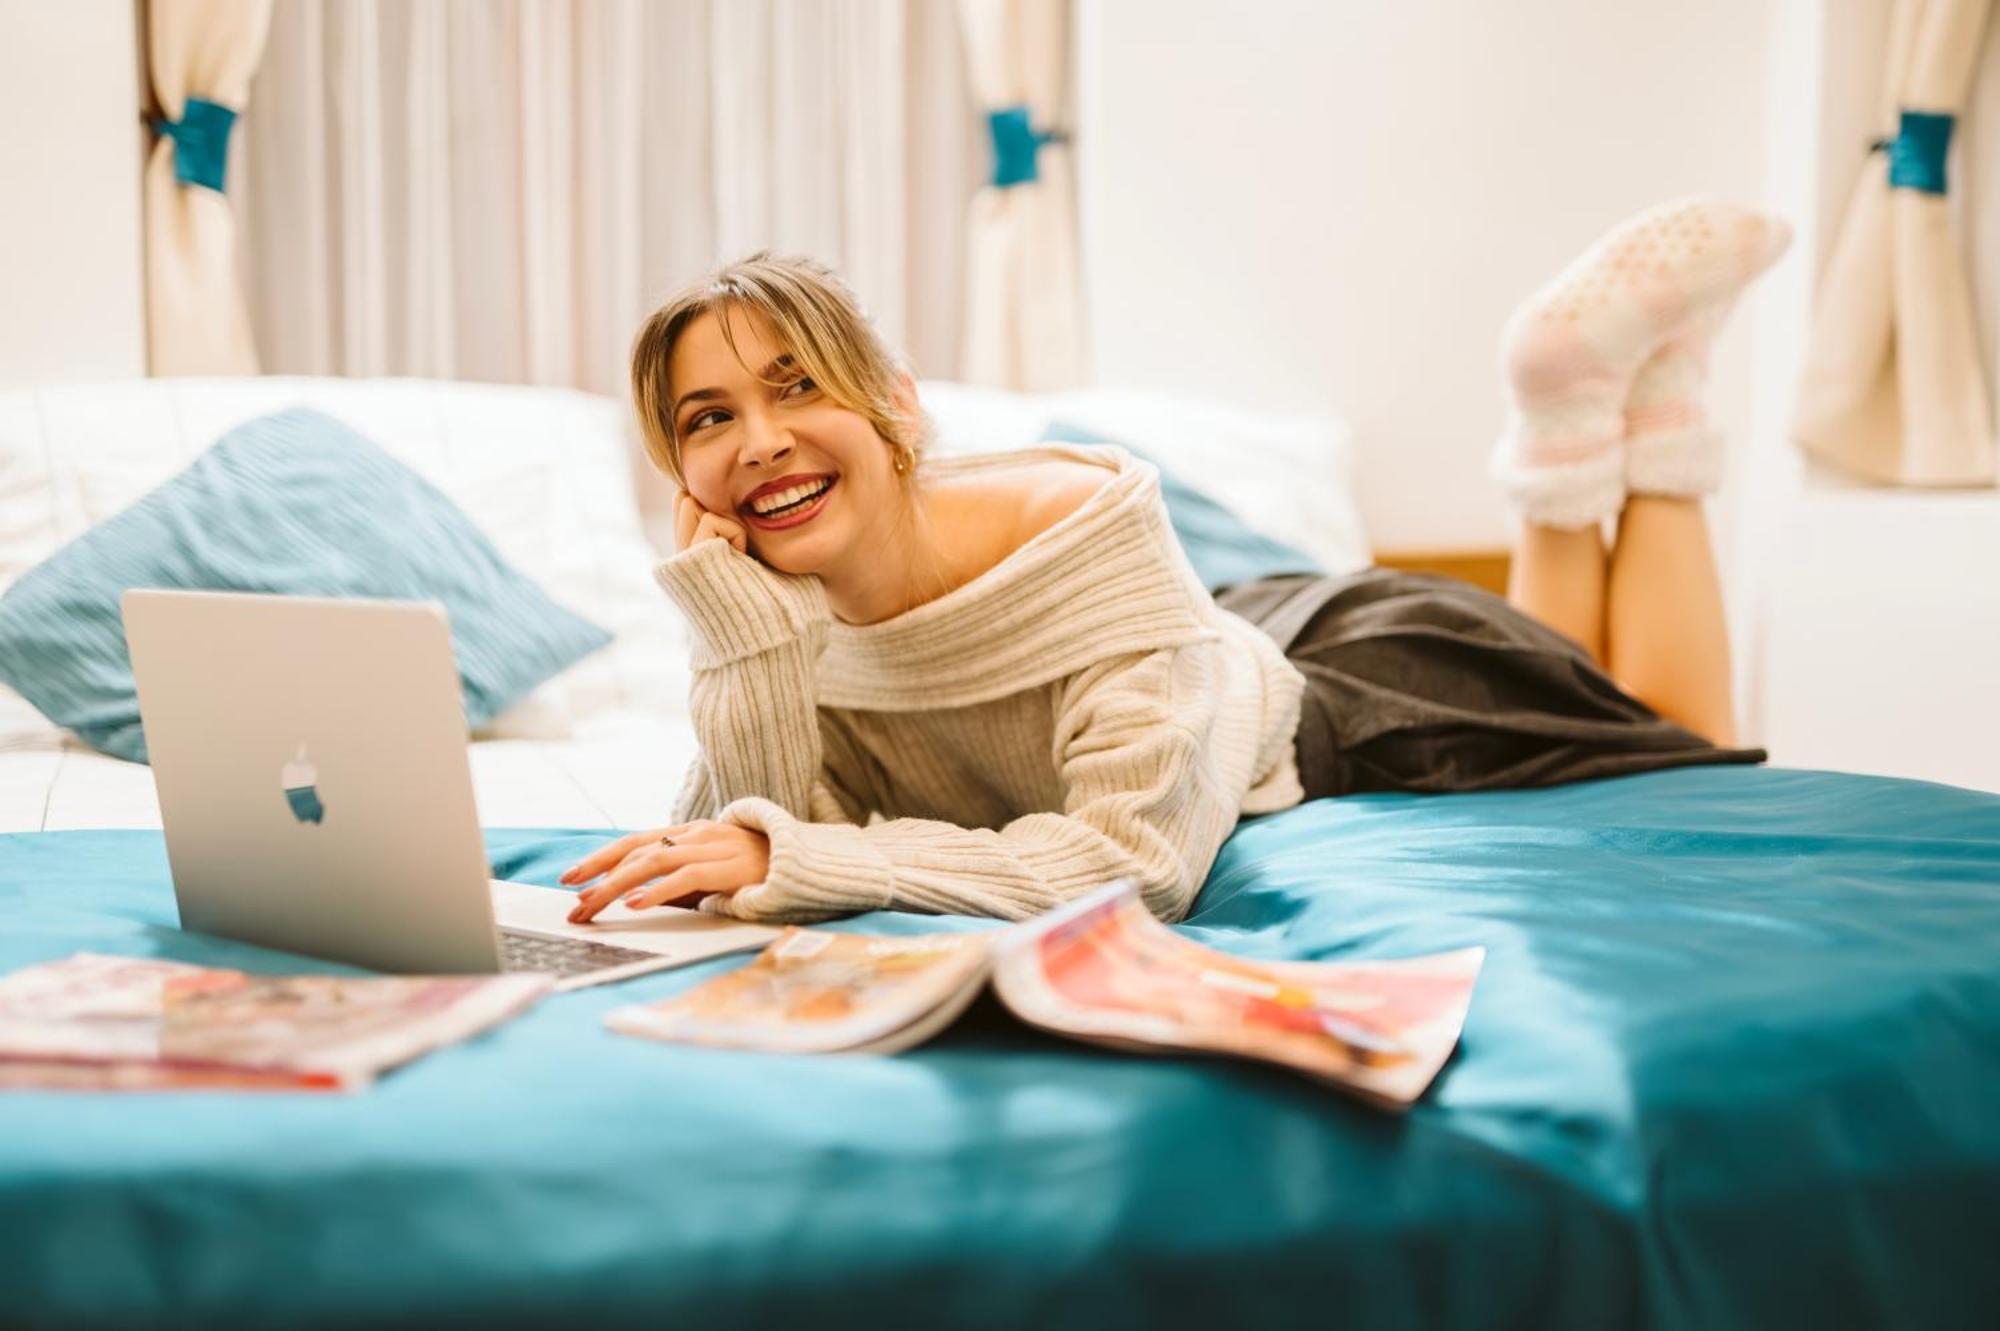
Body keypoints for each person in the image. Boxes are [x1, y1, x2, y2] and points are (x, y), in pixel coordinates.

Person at [563, 197, 1789, 926]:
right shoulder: (765, 602)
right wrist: (744, 641)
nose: (758, 440)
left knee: (1670, 717)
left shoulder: (1079, 544)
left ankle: (1617, 401)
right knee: (1582, 659)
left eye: (794, 387)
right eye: (707, 417)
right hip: (1218, 645)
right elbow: (753, 825)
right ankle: (1589, 403)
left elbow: (1133, 866)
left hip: (1354, 696)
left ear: (896, 408)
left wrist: (801, 855)